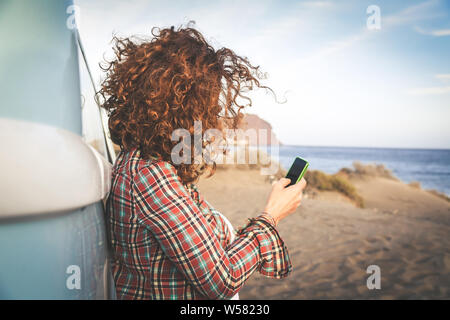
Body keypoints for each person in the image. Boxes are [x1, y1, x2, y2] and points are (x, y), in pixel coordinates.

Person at [99, 24, 307, 300]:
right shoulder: (152, 176)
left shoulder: (141, 158)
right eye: (207, 103)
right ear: (185, 106)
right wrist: (272, 215)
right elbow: (223, 281)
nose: (212, 114)